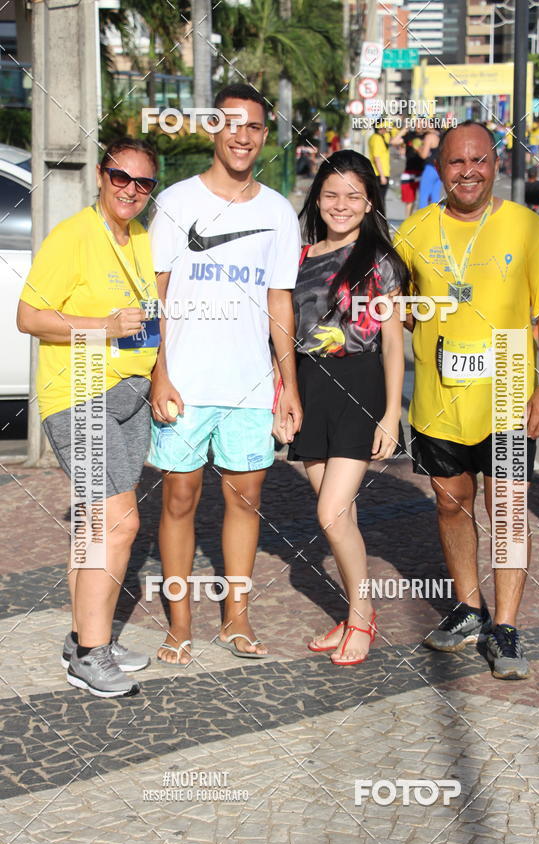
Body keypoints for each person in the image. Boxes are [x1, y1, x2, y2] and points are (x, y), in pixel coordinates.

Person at [394, 121, 539, 680]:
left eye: (479, 161)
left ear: (494, 164)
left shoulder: (526, 226)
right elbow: (386, 307)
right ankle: (469, 609)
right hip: (438, 400)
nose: (468, 171)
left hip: (512, 392)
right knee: (451, 504)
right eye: (455, 163)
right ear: (438, 168)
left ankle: (507, 624)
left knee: (510, 510)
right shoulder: (415, 230)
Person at [148, 83, 302, 664]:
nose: (242, 136)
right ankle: (179, 624)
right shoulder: (176, 202)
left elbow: (280, 304)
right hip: (185, 383)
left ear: (264, 137)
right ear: (213, 129)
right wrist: (160, 373)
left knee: (245, 500)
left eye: (255, 127)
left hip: (249, 385)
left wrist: (288, 385)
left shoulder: (277, 212)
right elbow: (155, 296)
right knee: (180, 499)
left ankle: (236, 618)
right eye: (231, 124)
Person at [17, 138, 160, 697]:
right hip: (80, 391)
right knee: (117, 524)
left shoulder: (141, 236)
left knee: (92, 527)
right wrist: (102, 325)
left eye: (143, 183)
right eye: (121, 177)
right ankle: (91, 658)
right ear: (101, 177)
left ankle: (84, 636)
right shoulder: (74, 234)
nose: (131, 189)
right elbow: (29, 316)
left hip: (130, 391)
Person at [283, 149, 407, 665]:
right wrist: (283, 396)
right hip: (311, 389)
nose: (341, 204)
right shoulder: (298, 258)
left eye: (353, 195)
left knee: (330, 512)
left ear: (369, 201)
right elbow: (283, 336)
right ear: (317, 199)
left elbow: (396, 344)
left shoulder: (380, 262)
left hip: (361, 388)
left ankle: (361, 617)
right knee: (343, 513)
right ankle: (358, 607)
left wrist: (392, 413)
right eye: (331, 194)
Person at [417, 130, 442, 209]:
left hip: (430, 168)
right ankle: (435, 218)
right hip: (439, 169)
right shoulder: (441, 135)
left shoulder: (429, 136)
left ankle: (422, 220)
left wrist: (418, 149)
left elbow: (424, 155)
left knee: (424, 196)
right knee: (435, 197)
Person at [368, 124, 391, 203]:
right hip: (379, 173)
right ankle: (379, 215)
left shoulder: (379, 137)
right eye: (383, 127)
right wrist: (382, 176)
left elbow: (394, 139)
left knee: (378, 199)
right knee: (380, 200)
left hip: (380, 173)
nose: (385, 129)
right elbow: (376, 158)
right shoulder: (377, 138)